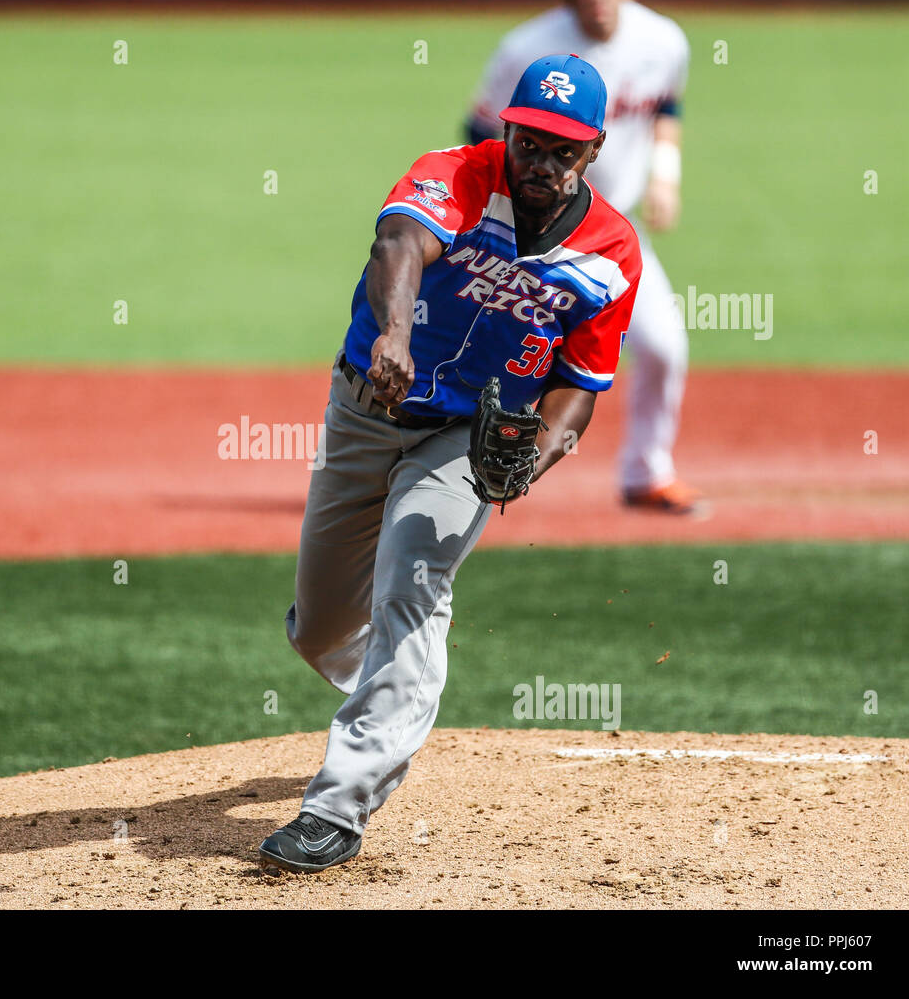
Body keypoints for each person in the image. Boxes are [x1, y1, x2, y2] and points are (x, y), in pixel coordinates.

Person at [258, 54, 642, 873]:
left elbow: (580, 384)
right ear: (504, 128)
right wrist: (393, 335)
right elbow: (398, 242)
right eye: (530, 142)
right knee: (321, 627)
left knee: (415, 580)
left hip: (469, 437)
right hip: (368, 408)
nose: (542, 163)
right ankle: (400, 687)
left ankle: (338, 806)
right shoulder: (456, 176)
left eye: (562, 151)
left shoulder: (611, 250)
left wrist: (529, 461)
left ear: (595, 150)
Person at [466, 0, 704, 515]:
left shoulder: (664, 41)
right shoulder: (525, 49)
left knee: (665, 349)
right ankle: (424, 465)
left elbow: (667, 106)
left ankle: (646, 474)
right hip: (517, 234)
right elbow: (480, 134)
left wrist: (666, 175)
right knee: (484, 353)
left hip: (609, 238)